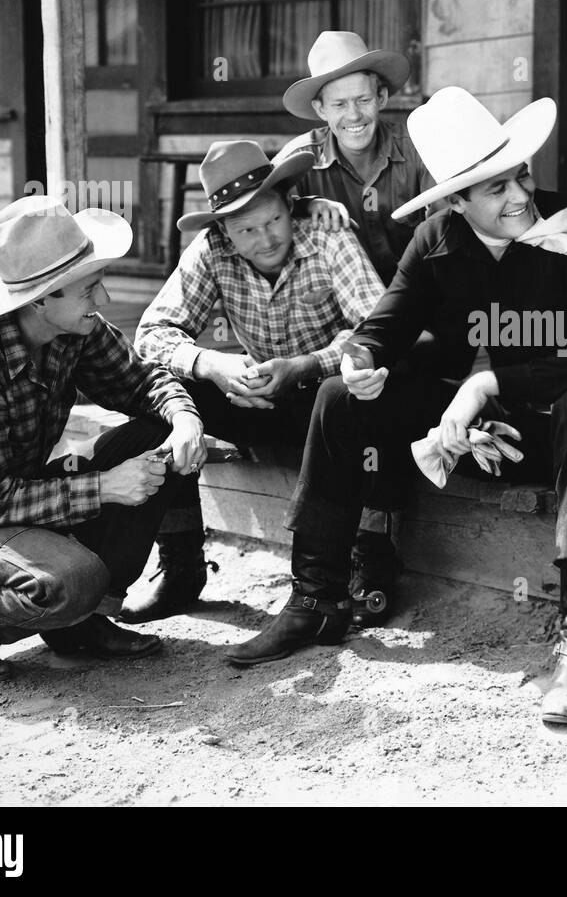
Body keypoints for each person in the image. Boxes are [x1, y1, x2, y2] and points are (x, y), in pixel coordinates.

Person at [224, 87, 567, 680]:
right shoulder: (437, 237)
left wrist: (485, 385)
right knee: (338, 396)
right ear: (457, 200)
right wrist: (359, 361)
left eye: (521, 176)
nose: (521, 196)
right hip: (469, 435)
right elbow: (381, 327)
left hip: (559, 437)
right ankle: (316, 599)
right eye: (497, 188)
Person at [0, 198, 202, 685]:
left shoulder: (73, 325)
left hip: (21, 488)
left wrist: (184, 418)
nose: (103, 299)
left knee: (157, 432)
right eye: (89, 289)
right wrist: (106, 487)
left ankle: (80, 624)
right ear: (38, 300)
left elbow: (141, 383)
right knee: (72, 580)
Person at [129, 140, 387, 623]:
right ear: (224, 230)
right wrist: (214, 365)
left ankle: (366, 558)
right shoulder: (211, 249)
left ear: (290, 204)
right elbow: (151, 335)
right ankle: (181, 566)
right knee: (160, 392)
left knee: (362, 391)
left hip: (327, 404)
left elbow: (375, 330)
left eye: (273, 220)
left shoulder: (329, 236)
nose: (266, 239)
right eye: (246, 229)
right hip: (256, 399)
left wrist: (306, 365)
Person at [275, 31, 434, 285]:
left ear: (381, 98)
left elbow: (447, 229)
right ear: (320, 109)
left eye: (363, 100)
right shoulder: (297, 160)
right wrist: (305, 205)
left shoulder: (418, 148)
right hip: (335, 299)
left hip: (418, 294)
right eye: (339, 104)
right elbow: (259, 214)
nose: (354, 115)